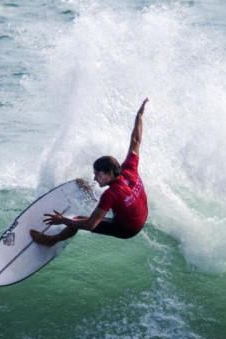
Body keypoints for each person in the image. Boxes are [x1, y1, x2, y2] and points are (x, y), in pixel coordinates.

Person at [30, 98, 149, 246]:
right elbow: (136, 141)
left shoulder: (110, 194)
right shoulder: (130, 169)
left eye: (98, 174)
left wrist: (63, 220)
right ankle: (89, 193)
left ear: (109, 173)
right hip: (140, 216)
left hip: (127, 228)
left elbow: (90, 225)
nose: (95, 177)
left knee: (78, 219)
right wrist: (139, 116)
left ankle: (51, 241)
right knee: (110, 201)